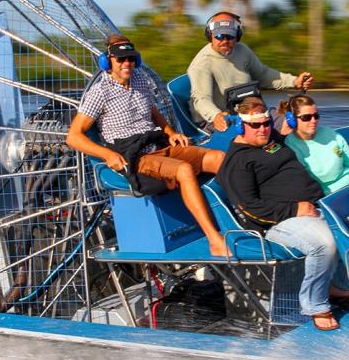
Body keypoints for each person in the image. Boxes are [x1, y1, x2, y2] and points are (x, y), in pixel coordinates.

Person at [67, 34, 229, 256]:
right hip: (137, 155)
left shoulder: (140, 80)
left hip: (158, 143)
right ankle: (214, 239)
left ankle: (237, 219)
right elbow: (74, 137)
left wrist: (171, 132)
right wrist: (107, 155)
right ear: (108, 62)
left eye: (131, 59)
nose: (126, 64)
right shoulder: (99, 93)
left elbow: (154, 113)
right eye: (121, 60)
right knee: (183, 170)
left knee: (219, 158)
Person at [217, 96, 349, 331]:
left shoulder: (270, 140)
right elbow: (251, 208)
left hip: (315, 205)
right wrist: (295, 208)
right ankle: (315, 305)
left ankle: (339, 286)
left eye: (266, 123)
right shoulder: (237, 163)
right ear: (241, 126)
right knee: (324, 243)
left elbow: (287, 123)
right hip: (280, 222)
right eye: (256, 125)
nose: (263, 129)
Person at [187, 12, 313, 132]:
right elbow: (201, 99)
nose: (225, 41)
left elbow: (263, 74)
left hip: (249, 113)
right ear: (210, 36)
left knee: (292, 123)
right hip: (216, 120)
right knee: (262, 132)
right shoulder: (202, 64)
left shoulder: (242, 50)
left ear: (237, 36)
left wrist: (294, 81)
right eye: (219, 36)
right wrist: (216, 116)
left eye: (230, 36)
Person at [283, 94, 349, 195]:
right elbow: (304, 184)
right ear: (292, 120)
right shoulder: (291, 146)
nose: (313, 121)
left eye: (316, 116)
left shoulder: (331, 134)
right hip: (325, 197)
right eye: (306, 117)